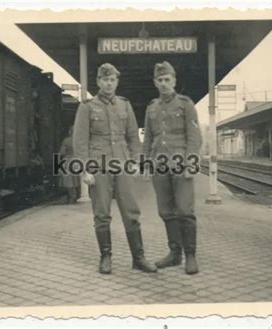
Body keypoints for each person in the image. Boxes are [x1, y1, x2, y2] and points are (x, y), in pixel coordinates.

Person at [73, 63, 157, 274]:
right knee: (101, 213)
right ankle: (106, 257)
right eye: (105, 80)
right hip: (99, 165)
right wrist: (85, 170)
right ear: (98, 82)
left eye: (112, 80)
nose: (109, 84)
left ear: (116, 82)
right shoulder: (87, 107)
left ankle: (138, 258)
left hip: (122, 164)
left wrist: (136, 162)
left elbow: (132, 138)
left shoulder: (124, 105)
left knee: (131, 212)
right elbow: (80, 141)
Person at [143, 61, 203, 275]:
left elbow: (194, 137)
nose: (164, 84)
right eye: (160, 80)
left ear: (174, 81)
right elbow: (148, 139)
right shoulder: (151, 108)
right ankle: (175, 254)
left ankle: (191, 256)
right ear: (155, 83)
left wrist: (191, 164)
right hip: (159, 165)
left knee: (185, 211)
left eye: (167, 79)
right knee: (166, 211)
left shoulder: (186, 104)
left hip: (181, 165)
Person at [58, 126, 81, 204]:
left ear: (69, 132)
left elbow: (62, 152)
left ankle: (72, 198)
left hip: (68, 161)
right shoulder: (79, 140)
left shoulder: (66, 140)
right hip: (78, 161)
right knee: (77, 180)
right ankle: (77, 196)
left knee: (69, 181)